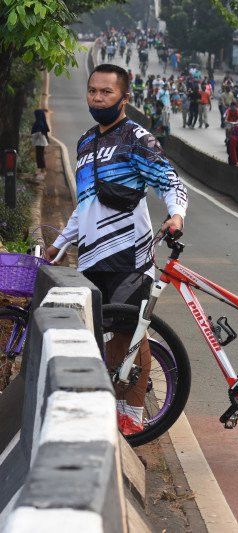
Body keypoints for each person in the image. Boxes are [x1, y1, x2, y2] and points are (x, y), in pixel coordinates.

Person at [45, 63, 187, 436]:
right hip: (91, 257)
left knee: (131, 335)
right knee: (102, 336)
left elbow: (171, 182)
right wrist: (59, 245)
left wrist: (176, 216)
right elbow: (85, 206)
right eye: (92, 91)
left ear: (124, 97)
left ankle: (132, 417)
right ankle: (111, 410)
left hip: (131, 256)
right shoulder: (85, 142)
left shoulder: (137, 139)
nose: (96, 98)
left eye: (106, 92)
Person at [31, 108, 50, 181]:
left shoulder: (39, 123)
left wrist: (33, 138)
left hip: (39, 142)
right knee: (40, 155)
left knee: (39, 156)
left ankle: (42, 170)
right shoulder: (41, 121)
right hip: (41, 142)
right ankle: (42, 169)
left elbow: (38, 133)